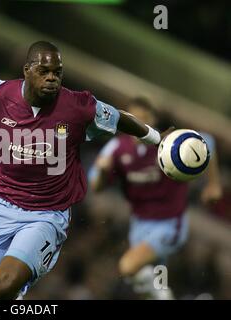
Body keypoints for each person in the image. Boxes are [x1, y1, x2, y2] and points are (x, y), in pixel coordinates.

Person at [0, 40, 168, 300]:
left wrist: (157, 139)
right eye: (44, 72)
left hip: (46, 215)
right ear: (26, 70)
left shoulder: (78, 106)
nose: (51, 79)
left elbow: (119, 117)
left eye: (57, 73)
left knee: (4, 283)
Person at [88, 97, 223, 299]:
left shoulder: (169, 141)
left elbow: (207, 142)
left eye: (145, 119)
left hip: (169, 224)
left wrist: (214, 184)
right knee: (152, 286)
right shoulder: (117, 148)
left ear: (153, 121)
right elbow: (95, 187)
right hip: (139, 225)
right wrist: (101, 170)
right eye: (135, 119)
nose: (140, 125)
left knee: (127, 266)